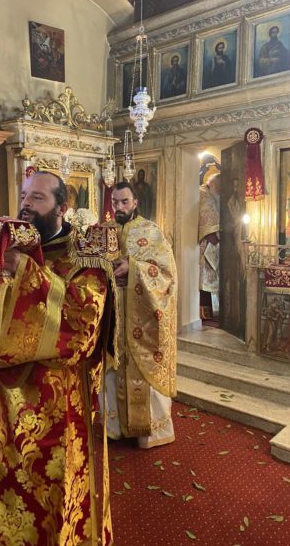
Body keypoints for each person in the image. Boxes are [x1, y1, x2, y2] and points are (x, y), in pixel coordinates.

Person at [0, 171, 116, 546]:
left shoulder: (85, 258)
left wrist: (26, 273)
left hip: (56, 403)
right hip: (2, 399)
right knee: (0, 478)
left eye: (38, 198)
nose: (26, 205)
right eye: (25, 195)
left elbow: (83, 324)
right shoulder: (7, 248)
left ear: (62, 207)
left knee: (51, 489)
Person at [101, 181, 177, 449]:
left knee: (142, 371)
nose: (119, 207)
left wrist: (133, 268)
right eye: (115, 202)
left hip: (141, 321)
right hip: (113, 316)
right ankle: (115, 428)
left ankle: (148, 432)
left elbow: (167, 275)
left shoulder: (151, 232)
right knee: (112, 369)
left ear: (135, 202)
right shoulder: (105, 232)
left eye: (124, 202)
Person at [198, 173, 221, 319]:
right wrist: (216, 233)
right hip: (205, 242)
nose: (219, 191)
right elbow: (206, 217)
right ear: (212, 183)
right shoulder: (202, 194)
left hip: (213, 241)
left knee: (210, 279)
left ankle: (212, 311)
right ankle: (203, 313)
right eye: (218, 187)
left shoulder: (211, 195)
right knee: (203, 280)